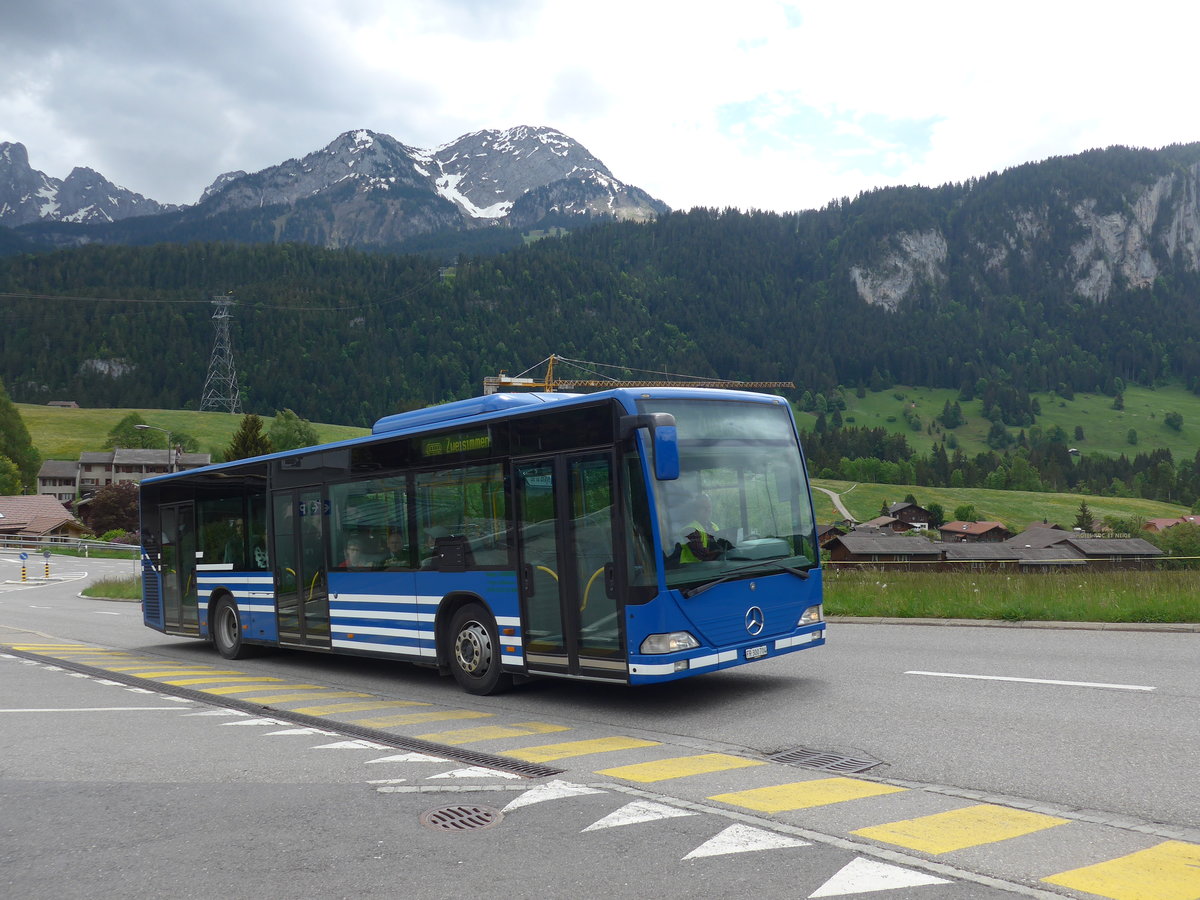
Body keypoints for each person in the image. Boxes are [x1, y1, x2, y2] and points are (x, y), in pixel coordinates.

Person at [678, 494, 728, 563]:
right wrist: (724, 551)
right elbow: (703, 555)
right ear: (695, 511)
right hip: (692, 570)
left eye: (709, 507)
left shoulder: (714, 526)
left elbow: (719, 546)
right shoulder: (689, 530)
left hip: (712, 568)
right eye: (703, 507)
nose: (708, 510)